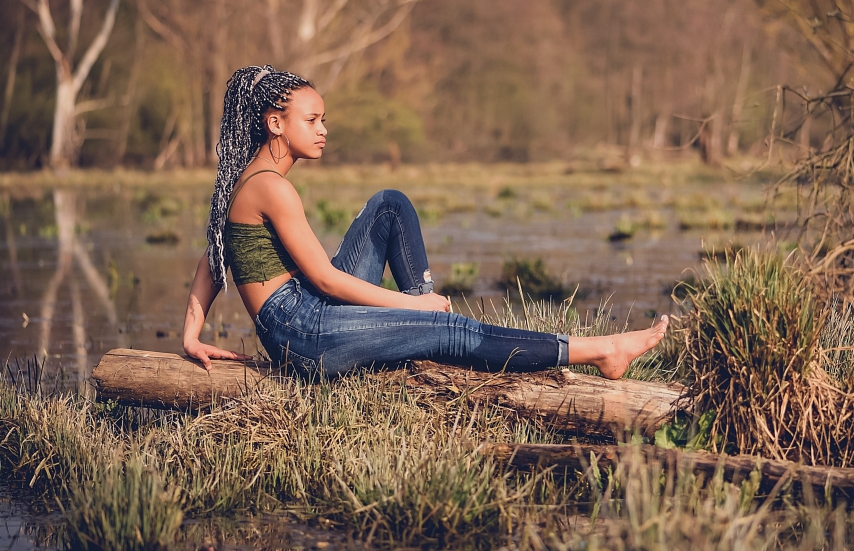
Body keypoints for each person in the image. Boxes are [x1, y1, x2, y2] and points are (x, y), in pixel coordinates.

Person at [182, 65, 668, 379]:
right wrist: (416, 309)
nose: (325, 130)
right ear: (275, 123)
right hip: (302, 333)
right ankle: (601, 350)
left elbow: (213, 252)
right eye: (312, 120)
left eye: (324, 118)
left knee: (389, 205)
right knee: (447, 328)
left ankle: (427, 326)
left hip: (302, 313)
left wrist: (190, 333)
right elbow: (326, 280)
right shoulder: (271, 186)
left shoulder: (247, 179)